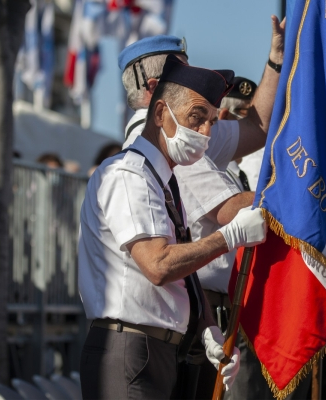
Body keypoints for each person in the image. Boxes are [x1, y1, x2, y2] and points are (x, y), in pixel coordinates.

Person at [77, 57, 268, 399]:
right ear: (161, 112)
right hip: (128, 347)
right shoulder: (128, 175)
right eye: (197, 118)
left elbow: (185, 273)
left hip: (159, 349)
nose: (206, 132)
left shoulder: (162, 179)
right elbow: (159, 264)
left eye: (211, 120)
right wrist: (229, 237)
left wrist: (208, 326)